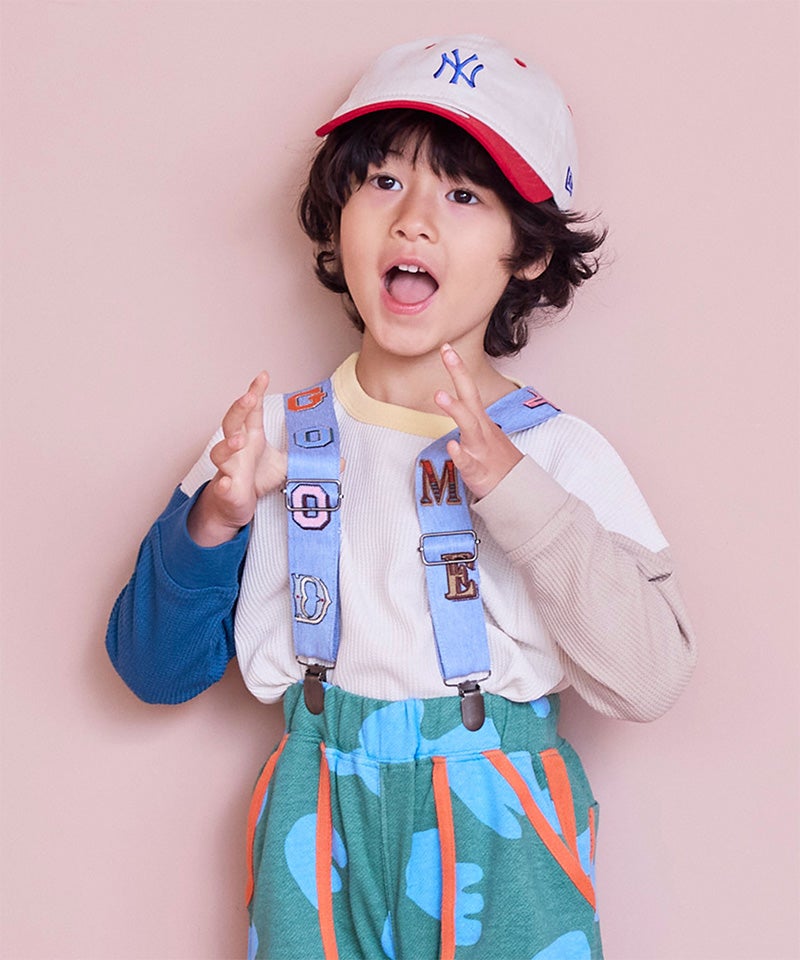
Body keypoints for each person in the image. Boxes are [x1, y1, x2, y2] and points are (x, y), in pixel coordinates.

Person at [106, 35, 696, 960]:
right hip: (317, 808)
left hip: (500, 814)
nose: (413, 220)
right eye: (383, 181)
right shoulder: (263, 441)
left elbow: (651, 678)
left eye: (463, 196)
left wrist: (522, 500)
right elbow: (152, 670)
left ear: (528, 253)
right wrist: (214, 522)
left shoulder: (557, 455)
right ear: (339, 214)